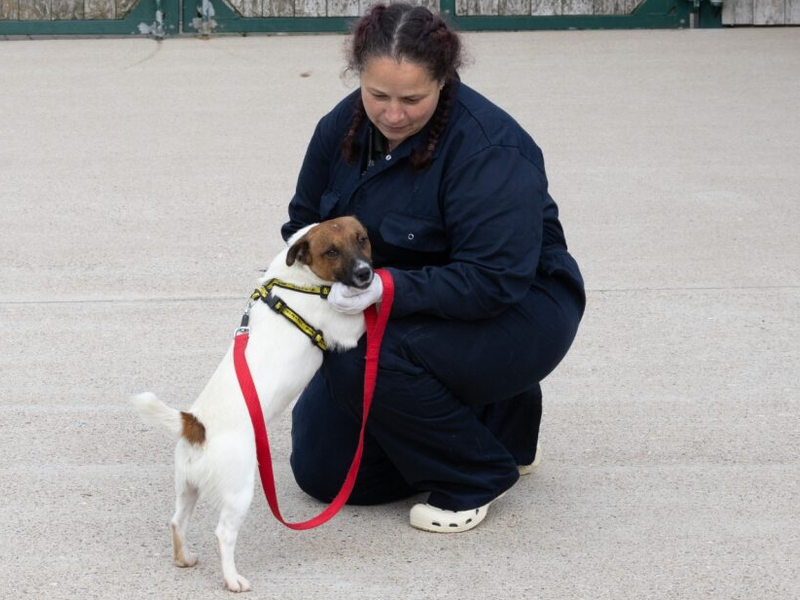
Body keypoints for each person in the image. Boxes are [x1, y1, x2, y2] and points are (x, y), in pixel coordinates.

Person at [281, 2, 585, 533]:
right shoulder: (342, 126)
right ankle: (491, 419)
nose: (393, 114)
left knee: (358, 360)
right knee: (326, 474)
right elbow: (305, 223)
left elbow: (494, 281)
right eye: (378, 95)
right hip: (406, 307)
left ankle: (476, 471)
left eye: (412, 99)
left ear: (444, 80)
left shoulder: (491, 149)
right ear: (359, 76)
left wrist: (384, 289)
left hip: (517, 310)